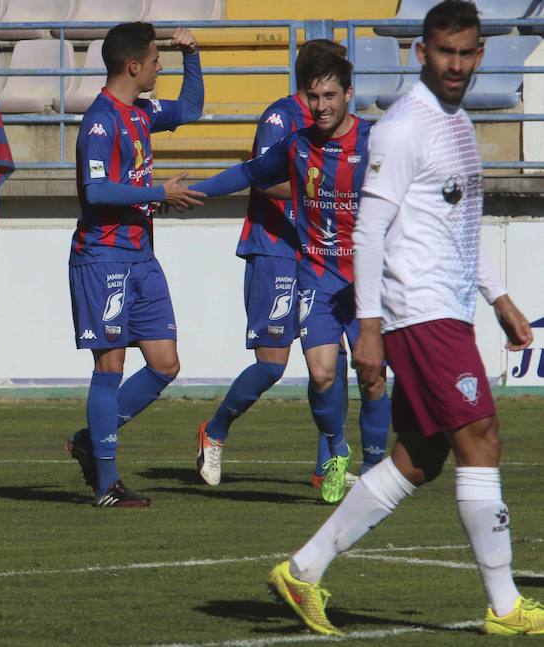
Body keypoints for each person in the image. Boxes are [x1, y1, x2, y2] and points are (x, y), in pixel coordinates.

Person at [265, 0, 542, 635]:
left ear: (479, 53)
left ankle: (302, 570)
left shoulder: (459, 123)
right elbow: (370, 229)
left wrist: (497, 297)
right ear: (423, 54)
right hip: (419, 313)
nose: (458, 64)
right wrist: (368, 327)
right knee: (482, 438)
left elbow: (459, 228)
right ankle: (505, 608)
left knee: (421, 456)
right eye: (445, 51)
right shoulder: (402, 127)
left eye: (468, 52)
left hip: (446, 307)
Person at [190, 53, 390, 505]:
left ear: (347, 94)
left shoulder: (377, 141)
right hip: (316, 277)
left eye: (330, 95)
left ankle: (377, 472)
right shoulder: (296, 143)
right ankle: (336, 452)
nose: (321, 106)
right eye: (314, 96)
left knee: (371, 374)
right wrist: (196, 190)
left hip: (366, 283)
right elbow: (248, 173)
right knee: (321, 374)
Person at [65, 22, 205, 507]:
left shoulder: (142, 112)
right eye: (155, 60)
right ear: (133, 66)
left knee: (165, 363)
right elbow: (96, 192)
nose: (158, 66)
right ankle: (106, 484)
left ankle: (90, 438)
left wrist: (193, 55)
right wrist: (158, 192)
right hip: (102, 256)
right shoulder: (100, 121)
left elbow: (190, 109)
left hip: (141, 255)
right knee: (111, 363)